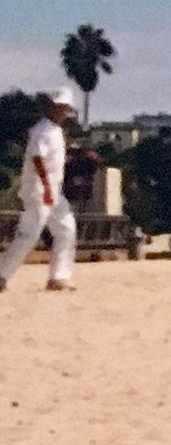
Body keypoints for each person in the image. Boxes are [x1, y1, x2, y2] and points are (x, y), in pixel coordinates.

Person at [1, 88, 82, 293]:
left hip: (53, 190)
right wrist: (46, 186)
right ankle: (2, 275)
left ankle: (59, 276)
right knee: (29, 234)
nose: (61, 111)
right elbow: (37, 157)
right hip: (40, 189)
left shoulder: (54, 131)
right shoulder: (43, 130)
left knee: (66, 229)